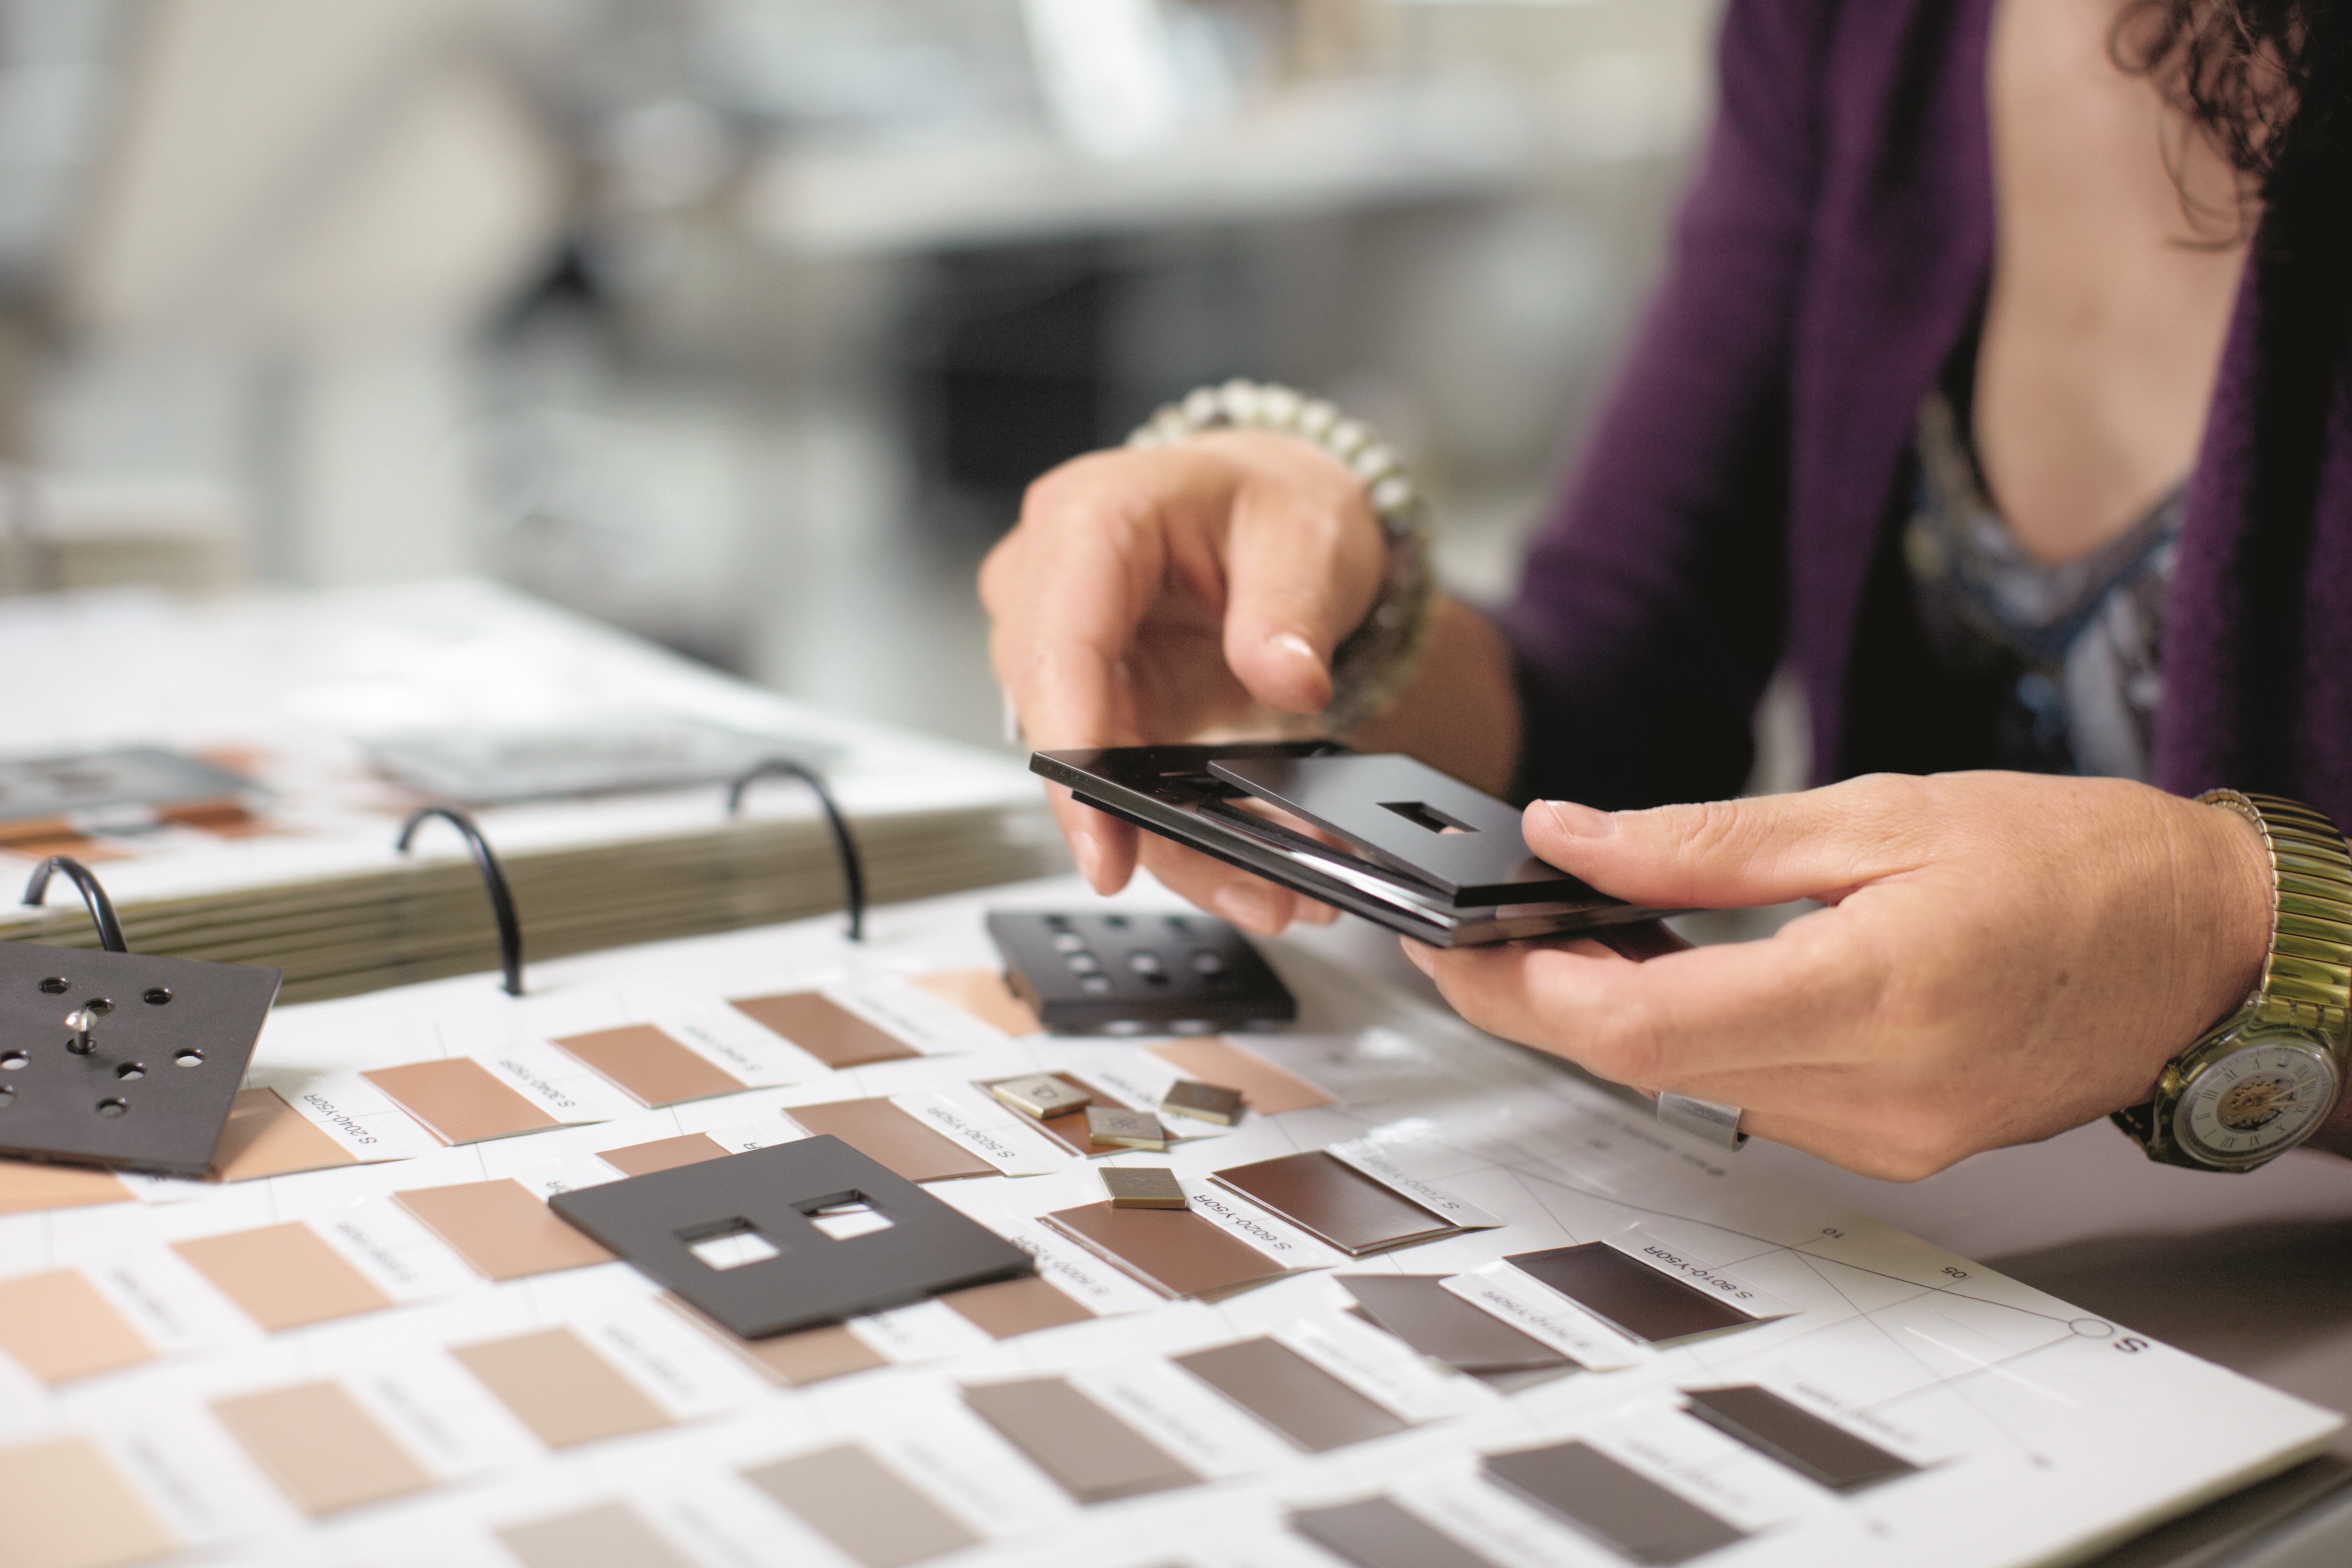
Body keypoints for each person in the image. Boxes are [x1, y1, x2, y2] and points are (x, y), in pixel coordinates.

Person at [980, 0, 2352, 1178]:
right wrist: (1322, 639)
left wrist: (2237, 940)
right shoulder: (1852, 29)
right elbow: (1629, 687)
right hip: (1944, 1282)